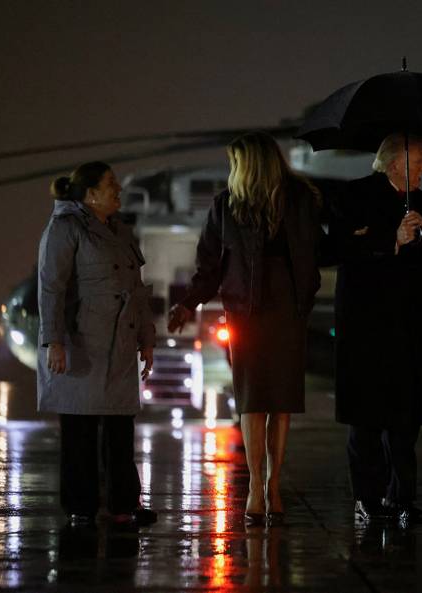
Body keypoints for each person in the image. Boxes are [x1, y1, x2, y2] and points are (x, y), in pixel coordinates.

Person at [168, 131, 324, 527]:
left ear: (251, 163)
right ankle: (258, 484)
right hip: (246, 312)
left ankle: (273, 483)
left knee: (282, 401)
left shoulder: (301, 199)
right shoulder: (226, 207)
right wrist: (188, 303)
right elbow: (209, 267)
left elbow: (320, 248)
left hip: (289, 309)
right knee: (254, 400)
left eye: (235, 161)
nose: (231, 168)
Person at [330, 133, 422, 527]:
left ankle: (402, 498)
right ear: (394, 163)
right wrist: (390, 239)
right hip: (367, 329)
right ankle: (367, 499)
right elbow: (333, 249)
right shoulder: (353, 196)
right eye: (418, 162)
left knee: (406, 421)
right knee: (367, 420)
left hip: (410, 328)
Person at [37, 161, 156, 527]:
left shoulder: (118, 231)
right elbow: (51, 287)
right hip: (83, 342)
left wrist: (146, 340)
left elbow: (136, 291)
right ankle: (80, 507)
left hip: (119, 344)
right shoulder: (65, 228)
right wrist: (53, 340)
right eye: (110, 184)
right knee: (80, 429)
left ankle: (123, 503)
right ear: (90, 194)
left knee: (121, 429)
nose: (118, 189)